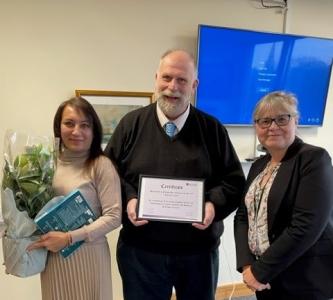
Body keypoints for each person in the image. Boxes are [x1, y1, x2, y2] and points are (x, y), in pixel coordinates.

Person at [104, 49, 245, 300]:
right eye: (166, 78)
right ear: (156, 78)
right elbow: (107, 175)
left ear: (194, 85)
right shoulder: (129, 125)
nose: (173, 87)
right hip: (141, 253)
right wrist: (130, 198)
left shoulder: (212, 130)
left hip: (198, 254)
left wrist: (212, 204)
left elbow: (234, 181)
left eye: (182, 80)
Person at [234, 91, 333, 300]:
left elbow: (307, 224)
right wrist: (247, 264)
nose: (272, 126)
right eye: (265, 121)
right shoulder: (259, 165)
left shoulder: (313, 159)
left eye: (282, 119)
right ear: (256, 126)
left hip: (302, 278)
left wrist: (260, 271)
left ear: (296, 121)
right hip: (265, 277)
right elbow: (243, 216)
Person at [28, 97, 122, 300]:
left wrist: (69, 238)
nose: (76, 131)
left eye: (84, 125)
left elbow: (114, 216)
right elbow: (31, 209)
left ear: (93, 130)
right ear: (58, 127)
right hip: (54, 258)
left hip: (90, 256)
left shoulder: (101, 165)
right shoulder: (46, 163)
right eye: (69, 123)